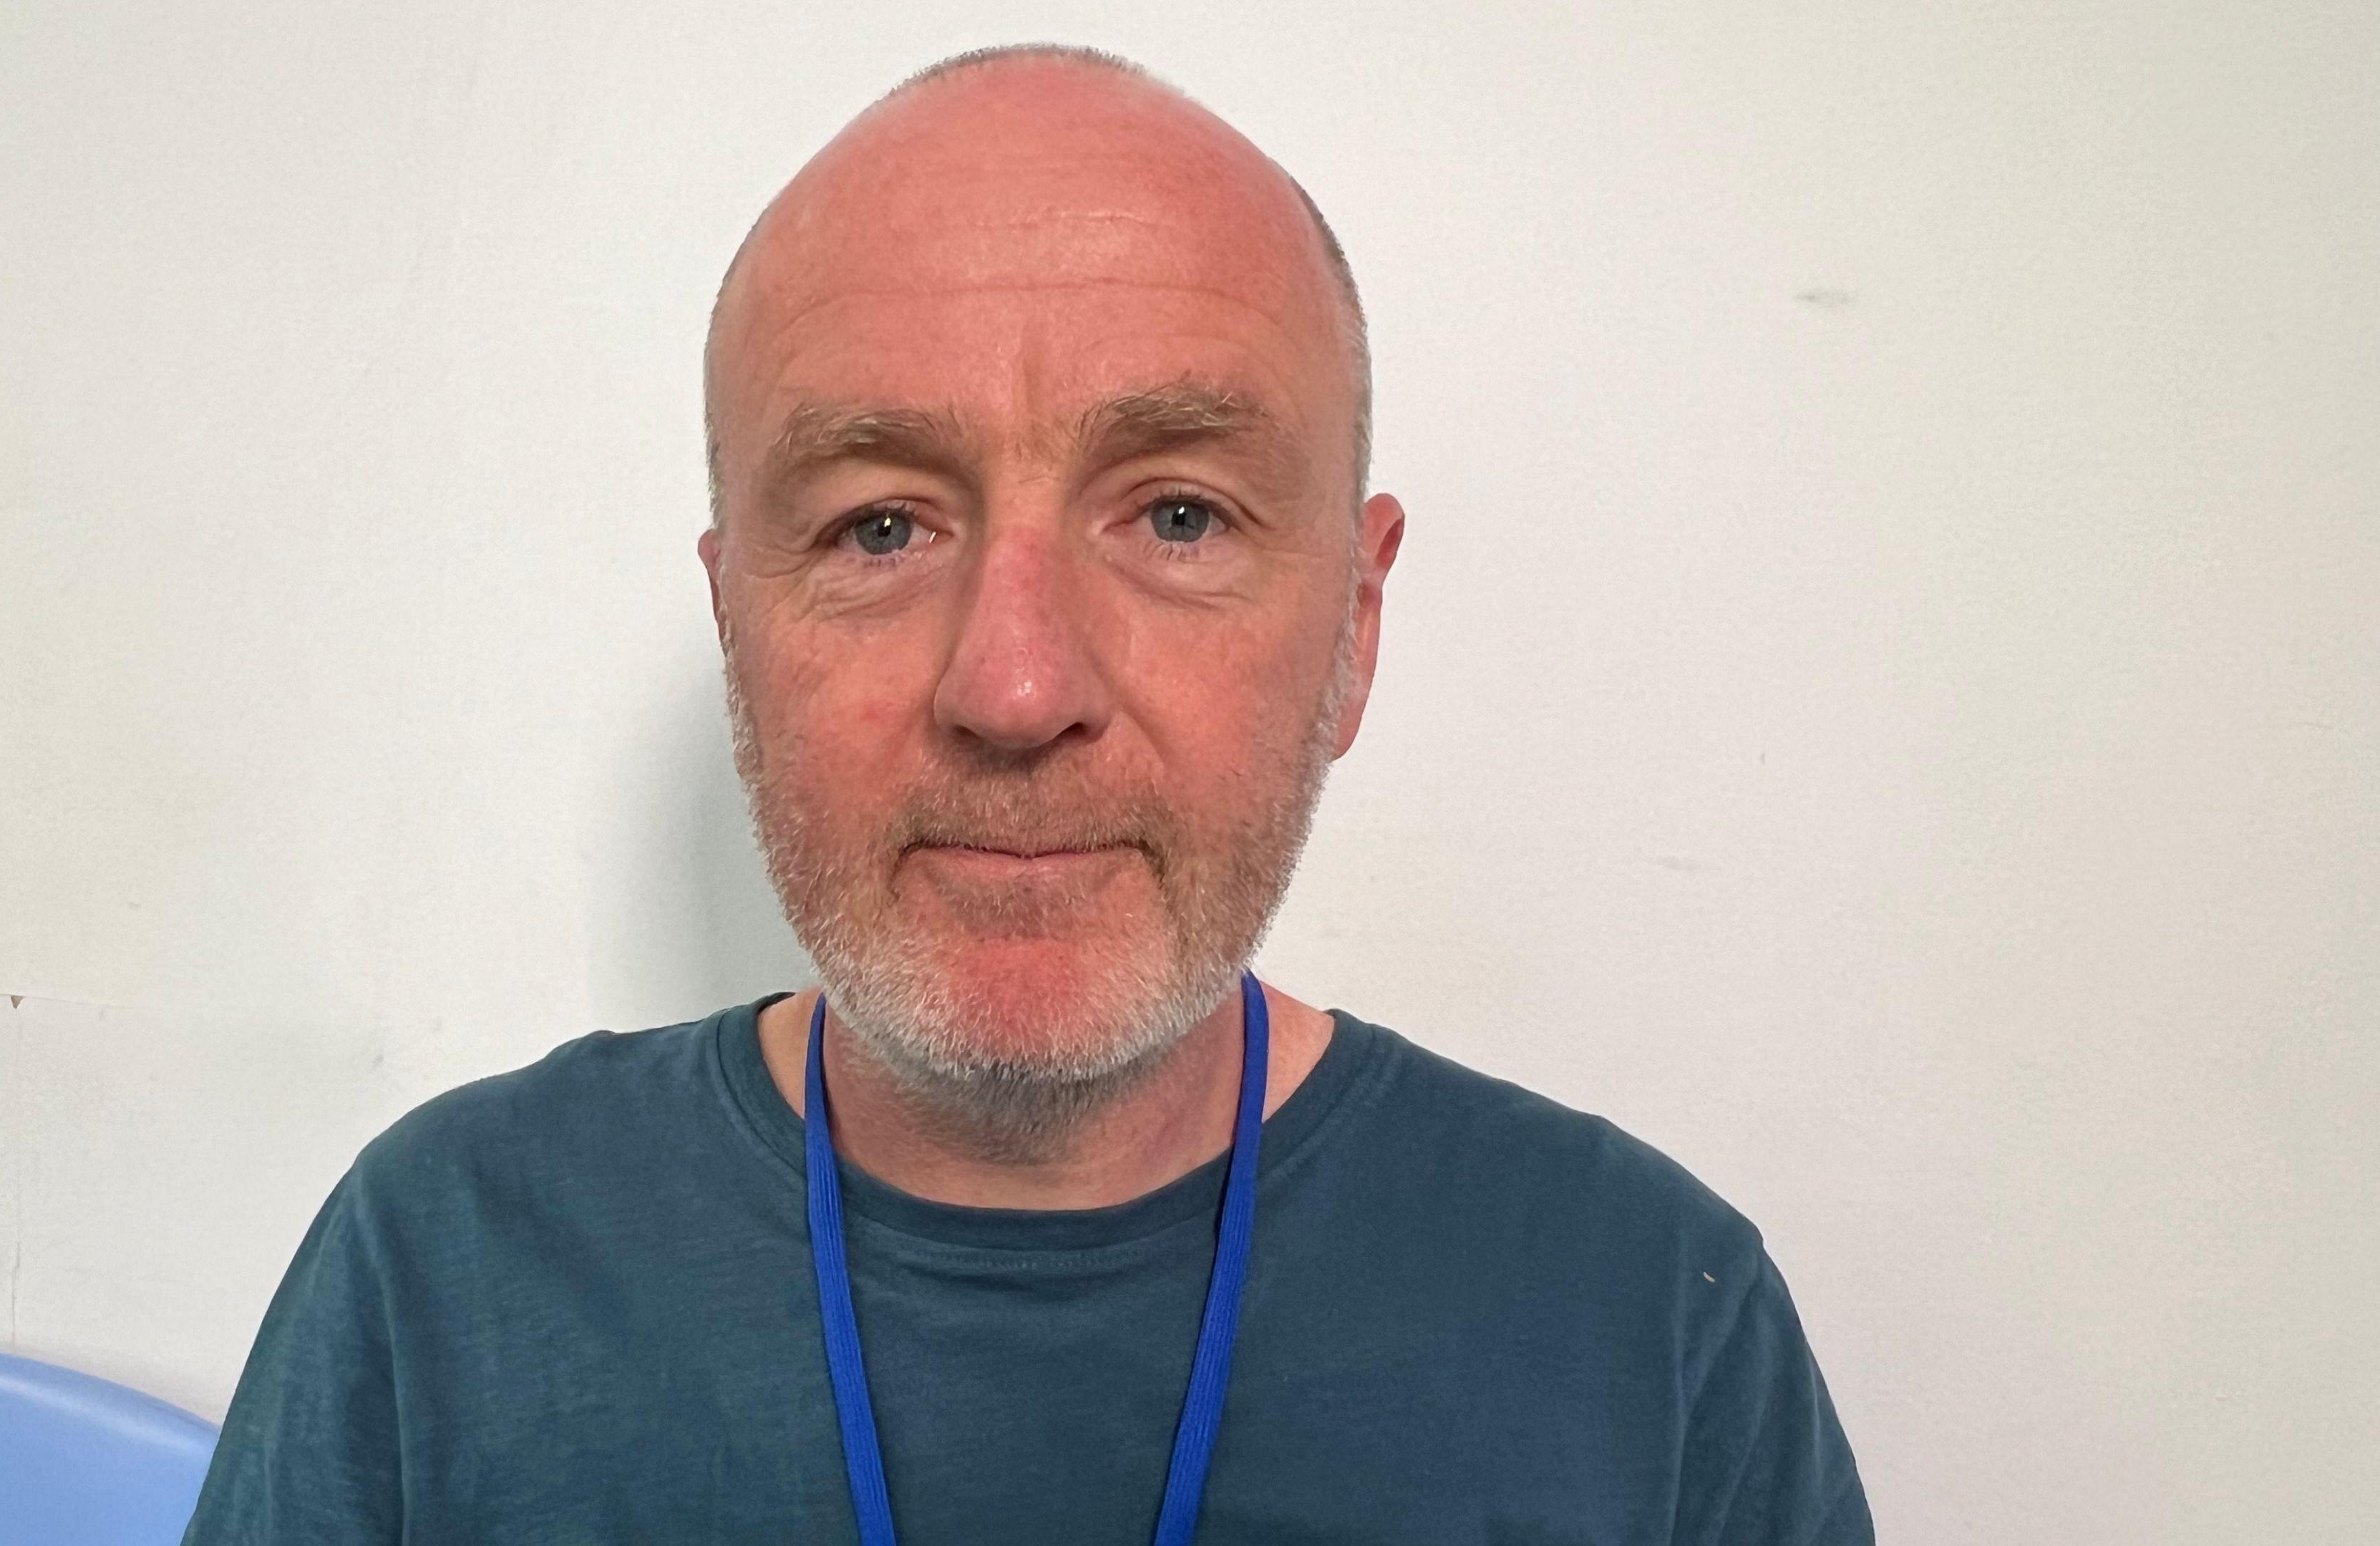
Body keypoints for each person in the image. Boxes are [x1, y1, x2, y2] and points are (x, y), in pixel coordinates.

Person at [181, 43, 1871, 1546]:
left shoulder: (1649, 1324)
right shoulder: (444, 1270)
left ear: (1352, 630)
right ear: (736, 627)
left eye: (1181, 516)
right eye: (881, 525)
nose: (1014, 690)